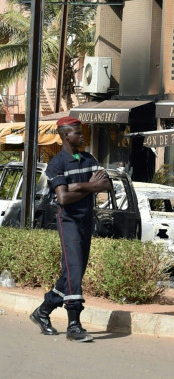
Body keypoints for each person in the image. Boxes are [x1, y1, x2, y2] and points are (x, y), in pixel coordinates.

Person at [29, 116, 112, 342]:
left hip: (86, 220)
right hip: (69, 222)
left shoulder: (89, 159)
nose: (82, 135)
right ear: (66, 136)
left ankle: (42, 312)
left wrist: (80, 185)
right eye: (78, 132)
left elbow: (107, 184)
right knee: (74, 271)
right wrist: (91, 186)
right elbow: (63, 198)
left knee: (73, 273)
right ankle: (74, 325)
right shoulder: (57, 164)